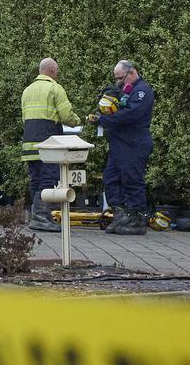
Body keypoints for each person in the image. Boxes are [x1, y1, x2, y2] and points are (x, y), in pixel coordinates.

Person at [88, 59, 154, 235]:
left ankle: (138, 220)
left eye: (120, 78)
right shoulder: (126, 90)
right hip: (119, 144)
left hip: (134, 143)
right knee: (110, 179)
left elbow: (131, 115)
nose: (118, 82)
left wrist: (104, 120)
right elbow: (118, 109)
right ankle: (121, 215)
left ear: (131, 73)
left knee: (133, 180)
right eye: (116, 79)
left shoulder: (142, 91)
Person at [20, 58, 80, 232]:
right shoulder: (55, 88)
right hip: (48, 144)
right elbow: (66, 115)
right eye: (57, 71)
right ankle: (41, 217)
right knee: (49, 179)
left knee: (36, 180)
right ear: (53, 70)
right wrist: (77, 121)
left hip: (29, 144)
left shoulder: (27, 90)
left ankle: (36, 216)